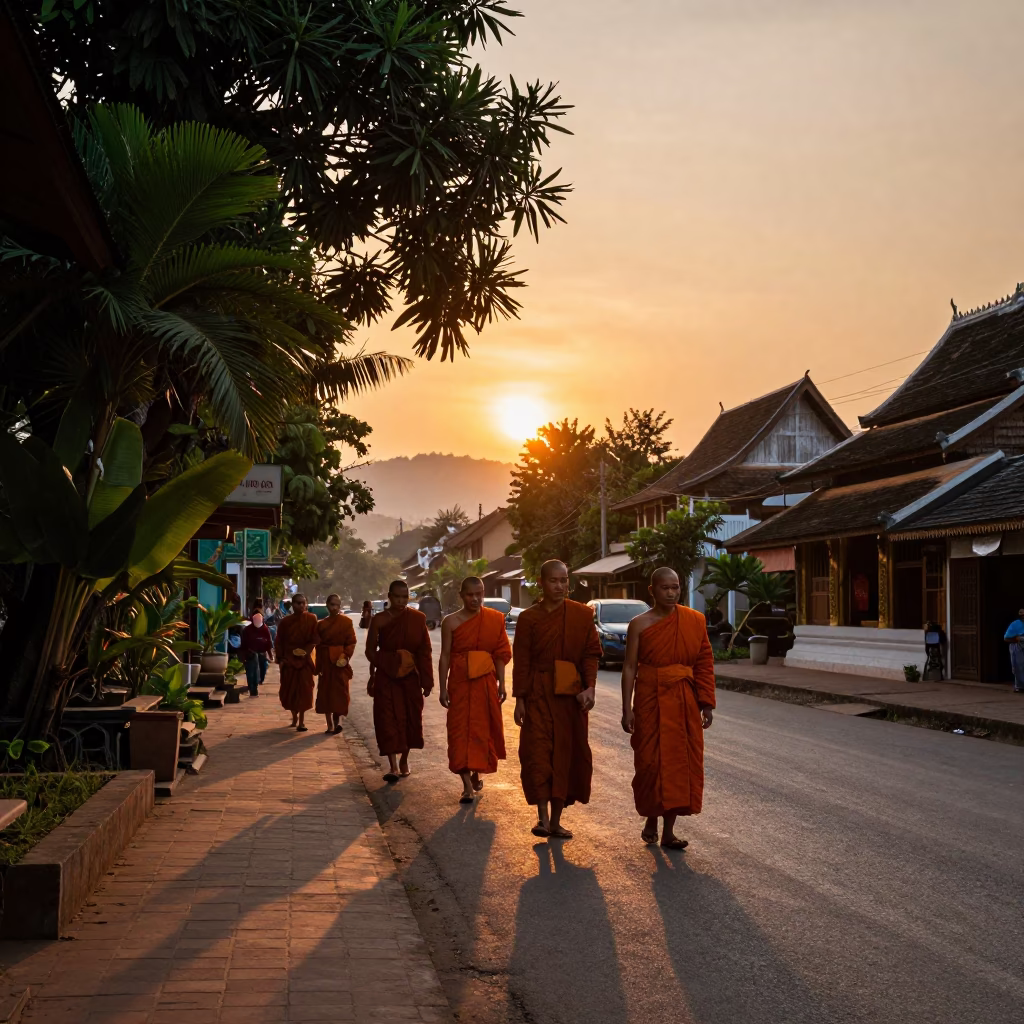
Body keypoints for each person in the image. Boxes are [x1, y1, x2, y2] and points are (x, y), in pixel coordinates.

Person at [621, 567, 716, 849]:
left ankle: (669, 832)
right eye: (665, 588)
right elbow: (630, 667)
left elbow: (704, 663)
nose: (672, 593)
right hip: (650, 696)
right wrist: (627, 708)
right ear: (652, 590)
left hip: (684, 699)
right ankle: (652, 818)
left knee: (679, 763)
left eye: (676, 587)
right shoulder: (639, 624)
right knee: (650, 763)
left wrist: (706, 703)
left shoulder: (694, 620)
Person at [512, 559, 601, 839]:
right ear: (541, 583)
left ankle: (556, 821)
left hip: (570, 695)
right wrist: (520, 699)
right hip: (538, 693)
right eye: (554, 581)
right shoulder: (528, 618)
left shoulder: (581, 615)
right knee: (537, 753)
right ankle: (542, 817)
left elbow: (590, 654)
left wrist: (590, 687)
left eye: (564, 581)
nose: (560, 586)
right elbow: (522, 661)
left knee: (566, 752)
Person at [438, 576, 511, 803]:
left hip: (485, 683)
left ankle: (477, 772)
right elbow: (445, 656)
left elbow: (500, 655)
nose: (475, 599)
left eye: (479, 594)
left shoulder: (494, 619)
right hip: (459, 682)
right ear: (461, 595)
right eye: (470, 594)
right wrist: (442, 687)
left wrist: (502, 683)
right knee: (459, 731)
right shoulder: (450, 622)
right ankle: (467, 786)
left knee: (482, 730)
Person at [366, 580, 434, 782]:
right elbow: (370, 651)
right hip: (386, 677)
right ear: (389, 596)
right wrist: (391, 663)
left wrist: (427, 681)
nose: (401, 601)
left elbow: (424, 651)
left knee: (409, 718)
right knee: (387, 720)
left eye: (405, 597)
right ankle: (392, 766)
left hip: (410, 678)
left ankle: (404, 759)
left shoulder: (417, 618)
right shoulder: (379, 620)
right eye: (397, 597)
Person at [274, 592, 319, 731]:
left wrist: (305, 651)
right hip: (289, 660)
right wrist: (281, 659)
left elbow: (315, 638)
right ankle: (294, 717)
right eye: (298, 603)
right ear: (292, 605)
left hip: (305, 660)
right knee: (290, 691)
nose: (301, 605)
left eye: (303, 603)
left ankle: (302, 721)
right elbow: (279, 641)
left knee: (305, 690)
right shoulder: (285, 622)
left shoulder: (311, 619)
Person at [315, 594, 357, 734]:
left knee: (340, 693)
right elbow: (318, 646)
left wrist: (345, 655)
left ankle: (337, 722)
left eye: (337, 605)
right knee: (326, 693)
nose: (335, 608)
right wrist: (319, 666)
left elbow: (351, 642)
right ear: (327, 605)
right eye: (332, 605)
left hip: (340, 662)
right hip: (326, 662)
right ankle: (329, 725)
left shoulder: (346, 622)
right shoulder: (321, 624)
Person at [239, 608, 273, 697]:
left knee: (261, 670)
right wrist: (243, 656)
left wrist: (270, 655)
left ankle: (256, 684)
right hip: (250, 653)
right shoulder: (247, 630)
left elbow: (269, 643)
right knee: (250, 672)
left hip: (262, 653)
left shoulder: (265, 629)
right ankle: (252, 689)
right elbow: (243, 644)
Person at [1004, 608, 1024, 693]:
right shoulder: (1015, 624)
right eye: (1021, 615)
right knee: (1018, 666)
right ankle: (1020, 686)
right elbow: (1006, 638)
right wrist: (1017, 639)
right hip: (1017, 646)